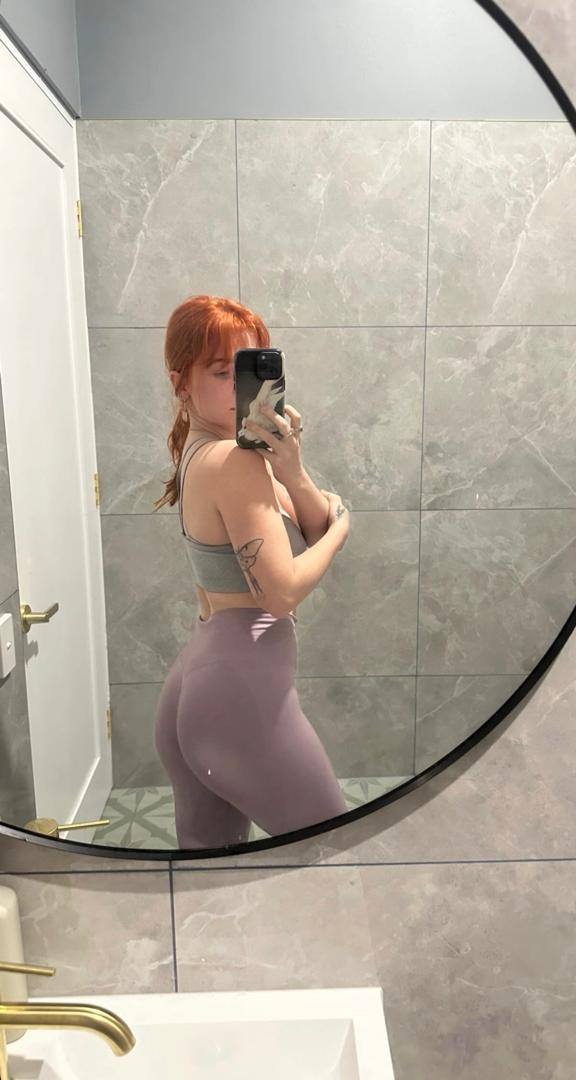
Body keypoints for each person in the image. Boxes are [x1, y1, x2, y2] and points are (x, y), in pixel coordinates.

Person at [153, 295, 350, 848]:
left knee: (212, 876)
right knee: (337, 855)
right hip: (241, 697)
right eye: (222, 372)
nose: (243, 388)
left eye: (249, 370)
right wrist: (342, 528)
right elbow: (281, 593)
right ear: (181, 383)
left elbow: (305, 524)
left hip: (202, 682)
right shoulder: (233, 461)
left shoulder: (204, 451)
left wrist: (292, 468)